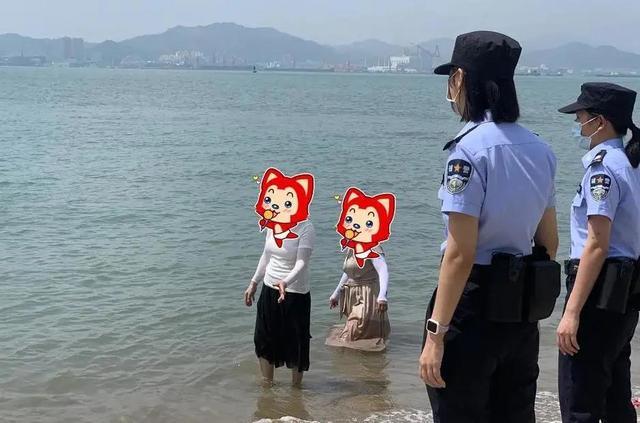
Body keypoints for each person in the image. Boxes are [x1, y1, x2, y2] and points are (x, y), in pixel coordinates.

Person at [418, 31, 560, 422]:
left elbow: (460, 254)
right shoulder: (540, 150)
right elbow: (549, 242)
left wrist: (435, 334)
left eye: (452, 79)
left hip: (472, 308)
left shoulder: (467, 151)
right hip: (521, 309)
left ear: (461, 79)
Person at [556, 82, 640, 422]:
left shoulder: (603, 169)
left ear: (600, 121)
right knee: (616, 396)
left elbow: (596, 244)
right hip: (624, 295)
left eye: (581, 118)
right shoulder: (631, 165)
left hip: (598, 292)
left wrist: (572, 312)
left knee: (580, 400)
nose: (578, 125)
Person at [244, 168, 316, 386]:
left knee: (296, 342)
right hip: (270, 288)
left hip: (295, 292)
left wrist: (286, 282)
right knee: (263, 337)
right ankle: (267, 386)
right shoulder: (273, 224)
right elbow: (266, 255)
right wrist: (254, 283)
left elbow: (302, 262)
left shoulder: (306, 228)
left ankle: (296, 390)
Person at [325, 245, 390, 352]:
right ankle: (361, 360)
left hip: (368, 295)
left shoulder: (373, 247)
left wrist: (382, 296)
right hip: (353, 295)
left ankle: (364, 360)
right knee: (359, 335)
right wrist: (336, 294)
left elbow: (383, 270)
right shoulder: (352, 248)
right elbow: (349, 272)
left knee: (354, 332)